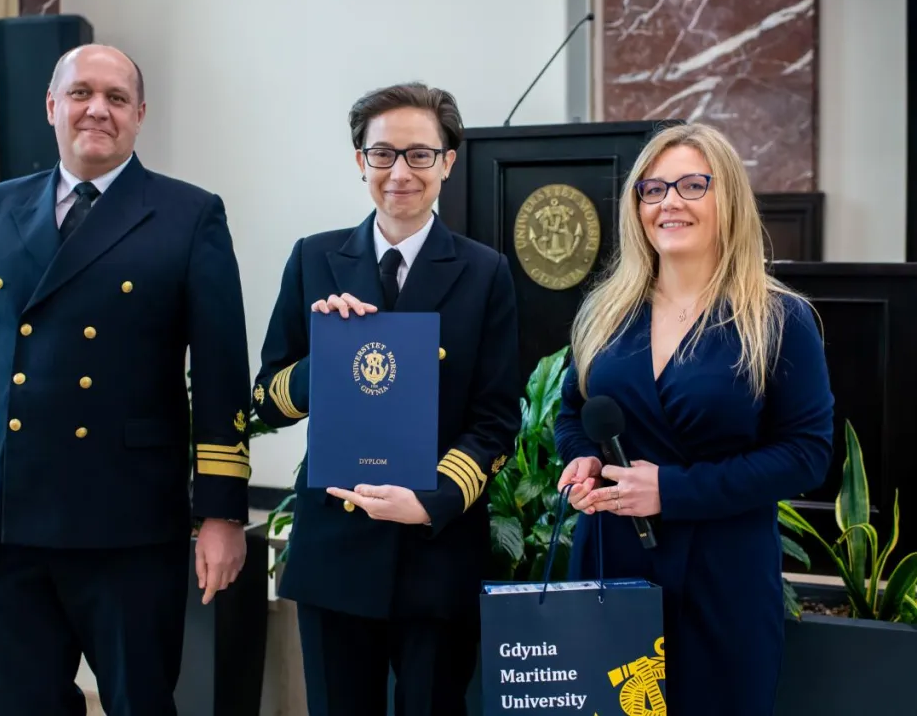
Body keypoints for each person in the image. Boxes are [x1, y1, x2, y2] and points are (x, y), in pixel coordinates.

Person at [0, 44, 252, 716]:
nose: (97, 109)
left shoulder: (188, 214)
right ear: (52, 106)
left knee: (139, 702)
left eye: (116, 98)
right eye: (81, 93)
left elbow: (220, 375)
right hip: (13, 514)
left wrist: (222, 513)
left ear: (140, 114)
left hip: (130, 522)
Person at [252, 82, 521, 715]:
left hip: (436, 550)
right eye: (383, 154)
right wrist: (326, 358)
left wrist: (430, 501)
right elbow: (266, 400)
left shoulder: (484, 271)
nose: (400, 172)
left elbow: (495, 421)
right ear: (360, 161)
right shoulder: (314, 258)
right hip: (335, 549)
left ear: (447, 162)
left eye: (420, 154)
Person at [552, 122, 834, 715]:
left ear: (728, 198)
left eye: (691, 185)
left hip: (723, 574)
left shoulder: (779, 318)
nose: (669, 202)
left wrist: (671, 490)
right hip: (612, 564)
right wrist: (581, 459)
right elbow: (574, 413)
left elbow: (806, 454)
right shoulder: (606, 311)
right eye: (653, 189)